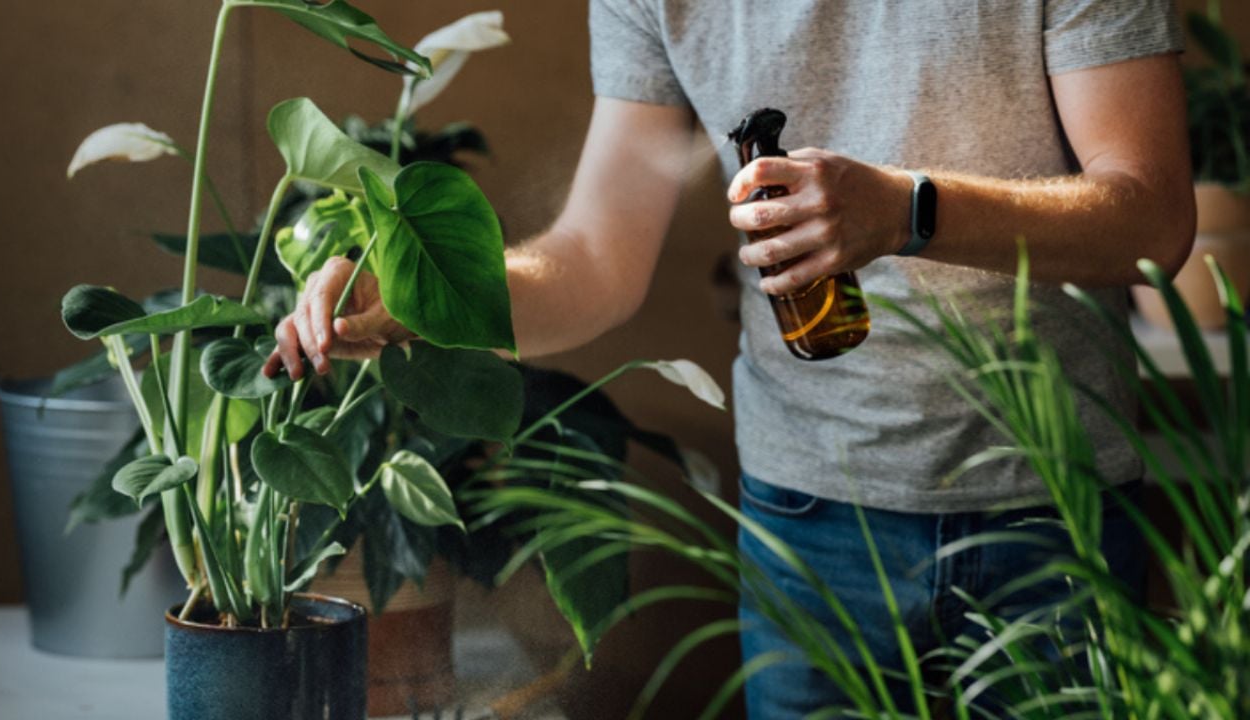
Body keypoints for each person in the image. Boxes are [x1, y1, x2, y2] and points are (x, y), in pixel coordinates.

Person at [265, 0, 1194, 715]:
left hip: (1051, 503)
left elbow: (1151, 217)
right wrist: (413, 301)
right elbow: (595, 259)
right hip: (808, 522)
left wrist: (908, 210)